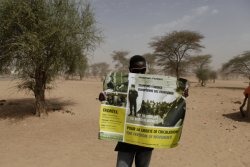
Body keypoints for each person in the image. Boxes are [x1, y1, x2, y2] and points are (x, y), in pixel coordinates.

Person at [99, 55, 189, 167]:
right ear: (130, 69)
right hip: (126, 141)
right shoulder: (122, 86)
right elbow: (111, 100)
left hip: (146, 142)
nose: (140, 73)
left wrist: (181, 95)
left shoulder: (153, 84)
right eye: (136, 71)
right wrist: (104, 98)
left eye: (143, 70)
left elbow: (169, 97)